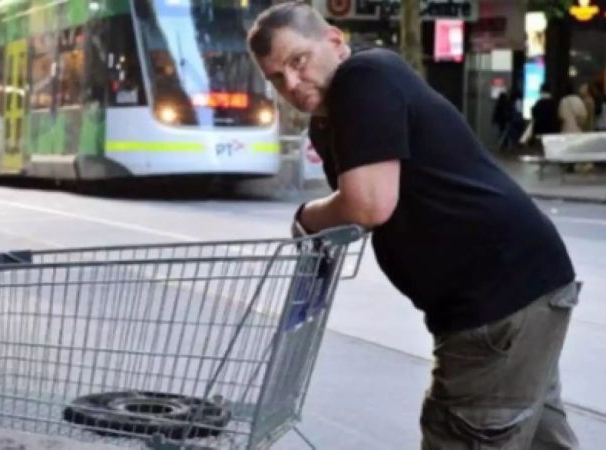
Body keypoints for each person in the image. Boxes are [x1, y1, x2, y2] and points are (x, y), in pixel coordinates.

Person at [247, 3, 580, 448]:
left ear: (334, 40)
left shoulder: (363, 79)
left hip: (495, 303)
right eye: (275, 77)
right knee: (537, 439)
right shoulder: (331, 120)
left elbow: (368, 205)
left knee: (461, 434)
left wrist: (305, 219)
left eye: (297, 61)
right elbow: (366, 204)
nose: (290, 83)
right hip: (520, 288)